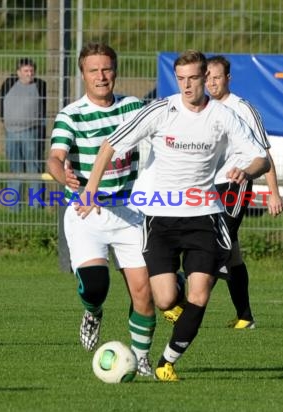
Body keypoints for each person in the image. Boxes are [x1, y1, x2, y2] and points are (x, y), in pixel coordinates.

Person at [75, 50, 270, 381]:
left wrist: (247, 171)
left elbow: (261, 158)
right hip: (160, 216)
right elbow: (110, 144)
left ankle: (166, 362)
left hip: (205, 215)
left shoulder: (223, 116)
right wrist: (91, 189)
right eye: (181, 79)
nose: (188, 85)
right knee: (165, 298)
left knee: (200, 293)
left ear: (205, 77)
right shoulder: (161, 110)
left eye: (194, 78)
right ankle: (176, 288)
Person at [46, 42, 156, 377]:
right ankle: (92, 312)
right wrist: (61, 174)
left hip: (129, 212)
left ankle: (141, 359)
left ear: (116, 71)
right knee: (95, 285)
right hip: (86, 213)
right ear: (83, 75)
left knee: (144, 292)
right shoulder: (72, 114)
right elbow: (54, 157)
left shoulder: (133, 107)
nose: (101, 76)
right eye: (93, 70)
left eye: (106, 69)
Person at [206, 55, 283, 329]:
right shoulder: (202, 109)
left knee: (218, 241)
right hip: (207, 186)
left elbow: (264, 153)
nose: (211, 82)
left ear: (228, 78)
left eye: (216, 77)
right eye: (207, 77)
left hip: (235, 184)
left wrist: (273, 192)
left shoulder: (242, 108)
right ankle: (245, 316)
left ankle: (185, 302)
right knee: (232, 253)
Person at [0, 57, 46, 210]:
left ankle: (36, 207)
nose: (29, 74)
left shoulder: (41, 85)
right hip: (11, 133)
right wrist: (5, 119)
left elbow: (46, 107)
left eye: (31, 71)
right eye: (26, 71)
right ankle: (14, 208)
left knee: (34, 169)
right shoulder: (9, 83)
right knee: (15, 170)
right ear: (18, 72)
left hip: (32, 133)